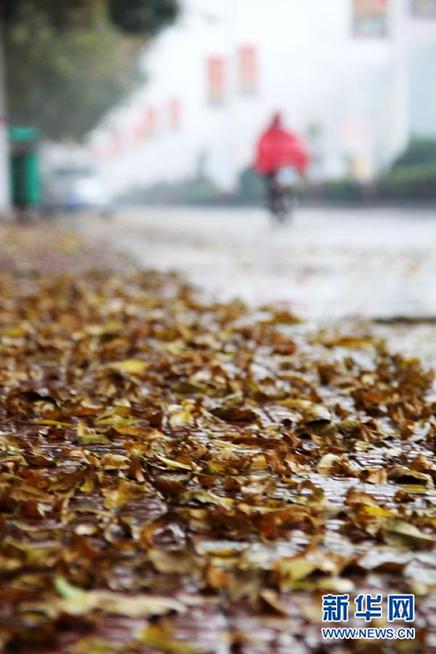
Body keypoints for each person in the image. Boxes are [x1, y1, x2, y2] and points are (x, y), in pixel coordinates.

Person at [254, 112, 309, 223]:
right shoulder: (276, 134)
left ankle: (284, 201)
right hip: (274, 168)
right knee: (272, 186)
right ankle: (275, 203)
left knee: (283, 186)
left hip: (282, 167)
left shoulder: (282, 134)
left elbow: (298, 149)